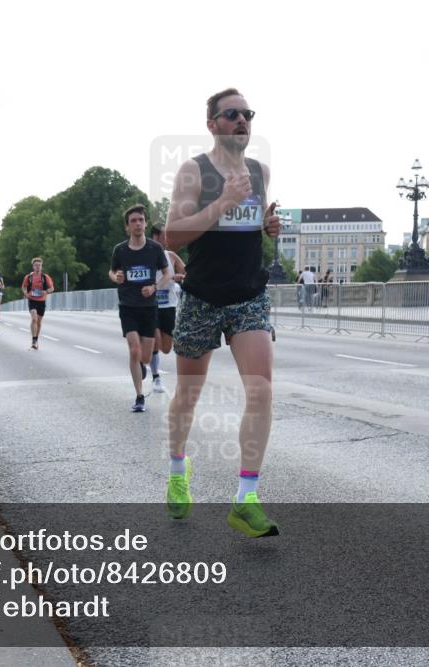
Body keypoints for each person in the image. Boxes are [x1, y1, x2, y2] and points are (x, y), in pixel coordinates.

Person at [164, 87, 281, 538]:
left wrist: (267, 225)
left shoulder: (260, 171)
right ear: (212, 123)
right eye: (231, 114)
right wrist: (222, 204)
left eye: (247, 114)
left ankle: (246, 498)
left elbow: (252, 225)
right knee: (187, 396)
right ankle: (178, 471)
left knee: (262, 388)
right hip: (202, 297)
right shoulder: (194, 171)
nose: (242, 121)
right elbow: (172, 236)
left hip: (248, 295)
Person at [109, 204, 170, 412]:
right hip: (128, 306)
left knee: (144, 356)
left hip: (149, 307)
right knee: (134, 350)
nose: (137, 224)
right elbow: (112, 272)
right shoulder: (120, 250)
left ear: (145, 223)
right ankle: (139, 396)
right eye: (133, 221)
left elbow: (167, 274)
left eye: (141, 220)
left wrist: (154, 287)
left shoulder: (155, 248)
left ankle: (143, 366)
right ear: (127, 227)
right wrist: (116, 277)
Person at [149, 225, 186, 392]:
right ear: (156, 237)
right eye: (165, 236)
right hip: (150, 305)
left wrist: (180, 277)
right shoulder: (145, 256)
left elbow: (188, 272)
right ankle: (156, 377)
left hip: (169, 305)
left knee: (166, 347)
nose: (167, 239)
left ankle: (146, 357)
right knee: (154, 339)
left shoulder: (171, 256)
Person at [22, 257, 55, 349]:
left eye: (39, 265)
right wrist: (26, 294)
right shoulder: (28, 277)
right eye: (36, 265)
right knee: (34, 319)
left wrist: (46, 291)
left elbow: (52, 288)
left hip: (42, 301)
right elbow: (24, 287)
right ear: (33, 266)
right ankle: (33, 340)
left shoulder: (45, 277)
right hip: (32, 300)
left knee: (39, 322)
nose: (38, 267)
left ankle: (36, 339)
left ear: (41, 266)